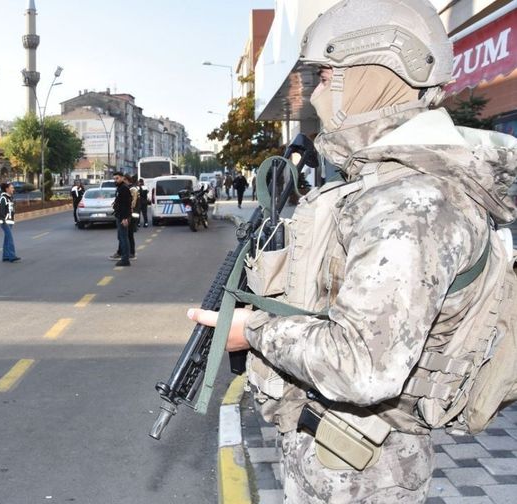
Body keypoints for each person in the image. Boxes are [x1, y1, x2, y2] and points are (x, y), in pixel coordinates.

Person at [186, 1, 517, 503]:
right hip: (336, 455)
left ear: (370, 72)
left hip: (364, 473)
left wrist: (251, 330)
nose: (315, 93)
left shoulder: (411, 204)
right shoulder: (380, 186)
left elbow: (360, 365)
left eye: (324, 76)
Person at [110, 172, 131, 267]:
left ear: (122, 178)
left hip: (123, 217)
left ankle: (125, 259)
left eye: (117, 178)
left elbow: (126, 205)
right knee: (121, 237)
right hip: (119, 216)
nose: (115, 180)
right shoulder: (119, 188)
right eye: (114, 178)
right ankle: (124, 257)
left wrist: (125, 218)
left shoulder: (124, 189)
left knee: (124, 238)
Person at [0, 182, 20, 262]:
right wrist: (3, 221)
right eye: (11, 188)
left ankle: (5, 256)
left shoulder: (10, 198)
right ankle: (12, 256)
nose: (13, 189)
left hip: (10, 221)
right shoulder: (3, 198)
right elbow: (1, 211)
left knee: (7, 239)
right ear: (7, 189)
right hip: (5, 222)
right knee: (10, 238)